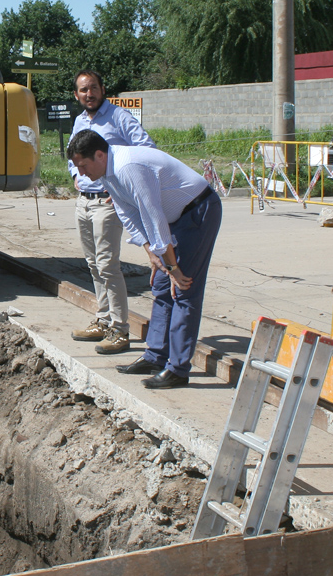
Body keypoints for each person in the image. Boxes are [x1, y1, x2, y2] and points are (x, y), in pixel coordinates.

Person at [66, 129, 222, 389]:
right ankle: (156, 356)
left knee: (183, 287)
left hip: (197, 212)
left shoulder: (129, 167)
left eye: (83, 166)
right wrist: (152, 253)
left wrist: (171, 266)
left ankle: (178, 369)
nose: (81, 174)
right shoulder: (108, 173)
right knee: (161, 286)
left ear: (100, 155)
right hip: (174, 220)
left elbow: (153, 216)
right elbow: (128, 213)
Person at [66, 70, 157, 355]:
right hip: (84, 201)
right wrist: (74, 177)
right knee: (93, 265)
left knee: (108, 265)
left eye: (93, 88)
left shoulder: (119, 117)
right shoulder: (80, 121)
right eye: (83, 90)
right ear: (76, 95)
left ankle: (120, 329)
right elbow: (73, 156)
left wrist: (118, 186)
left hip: (108, 202)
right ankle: (103, 320)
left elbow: (146, 148)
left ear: (102, 89)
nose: (89, 94)